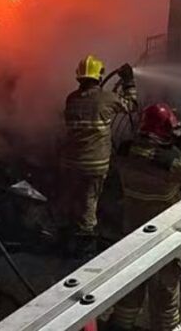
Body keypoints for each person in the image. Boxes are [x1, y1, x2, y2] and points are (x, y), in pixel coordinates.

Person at [108, 103, 181, 331]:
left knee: (129, 288)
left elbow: (137, 152)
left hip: (132, 233)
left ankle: (120, 326)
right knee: (165, 294)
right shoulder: (168, 165)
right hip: (164, 236)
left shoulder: (125, 152)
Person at [58, 55, 138, 257]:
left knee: (73, 198)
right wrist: (129, 82)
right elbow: (131, 106)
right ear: (99, 76)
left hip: (70, 162)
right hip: (94, 164)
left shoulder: (71, 98)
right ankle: (84, 246)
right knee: (89, 200)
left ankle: (67, 232)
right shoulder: (107, 99)